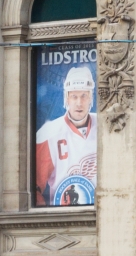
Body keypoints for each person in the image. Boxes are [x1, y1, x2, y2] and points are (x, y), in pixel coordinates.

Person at [35, 66, 97, 206]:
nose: (79, 103)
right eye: (74, 96)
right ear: (66, 98)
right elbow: (35, 188)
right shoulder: (48, 134)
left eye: (84, 96)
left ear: (90, 98)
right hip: (64, 215)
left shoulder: (105, 126)